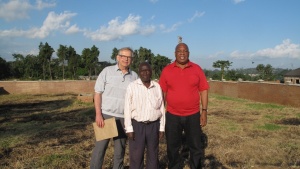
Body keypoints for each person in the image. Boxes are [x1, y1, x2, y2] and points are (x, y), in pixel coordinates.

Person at [159, 43, 209, 169]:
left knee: (196, 147)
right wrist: (161, 114)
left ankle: (195, 166)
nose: (182, 53)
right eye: (179, 51)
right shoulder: (167, 70)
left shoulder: (197, 69)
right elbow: (162, 93)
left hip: (192, 115)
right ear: (175, 53)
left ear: (189, 53)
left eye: (185, 51)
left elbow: (203, 90)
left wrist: (204, 111)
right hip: (172, 115)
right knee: (172, 147)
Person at [90, 47, 138, 169]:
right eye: (124, 56)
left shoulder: (134, 76)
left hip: (124, 118)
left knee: (120, 150)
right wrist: (98, 114)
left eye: (129, 57)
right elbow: (98, 93)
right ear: (118, 57)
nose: (126, 59)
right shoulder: (107, 71)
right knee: (100, 148)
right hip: (106, 116)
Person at [124, 62, 165, 169]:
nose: (145, 73)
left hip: (153, 126)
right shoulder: (132, 87)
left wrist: (161, 128)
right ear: (139, 72)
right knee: (136, 156)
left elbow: (161, 108)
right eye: (142, 70)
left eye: (147, 70)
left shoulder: (157, 86)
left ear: (151, 72)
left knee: (153, 155)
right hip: (137, 126)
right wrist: (129, 129)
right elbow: (127, 109)